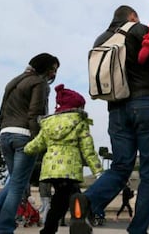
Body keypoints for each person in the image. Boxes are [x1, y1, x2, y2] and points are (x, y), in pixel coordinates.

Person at [69, 5, 149, 234]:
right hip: (146, 104)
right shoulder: (138, 30)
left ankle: (87, 202)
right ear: (132, 16)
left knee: (120, 167)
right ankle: (137, 230)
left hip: (116, 110)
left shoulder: (101, 40)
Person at [0, 52, 60, 234]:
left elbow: (1, 112)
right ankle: (4, 228)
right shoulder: (39, 84)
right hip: (24, 135)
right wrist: (37, 140)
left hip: (6, 134)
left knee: (16, 181)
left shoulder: (14, 82)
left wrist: (3, 128)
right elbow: (35, 114)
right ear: (45, 68)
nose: (53, 74)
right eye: (53, 69)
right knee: (18, 185)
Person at [24, 84, 103, 234]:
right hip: (70, 170)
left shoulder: (48, 124)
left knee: (66, 198)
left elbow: (36, 144)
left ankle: (69, 225)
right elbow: (88, 150)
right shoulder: (80, 121)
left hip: (51, 170)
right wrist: (98, 171)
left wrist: (25, 149)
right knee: (68, 200)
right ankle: (73, 224)